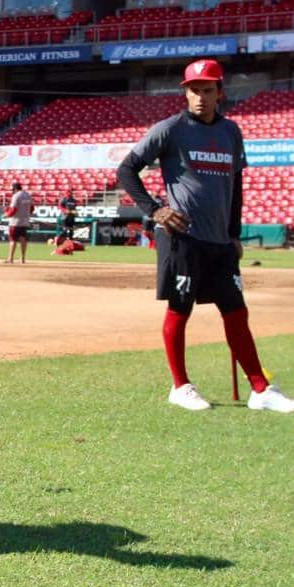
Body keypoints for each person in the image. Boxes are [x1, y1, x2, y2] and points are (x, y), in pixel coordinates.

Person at [117, 58, 292, 413]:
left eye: (207, 90)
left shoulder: (231, 132)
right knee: (180, 309)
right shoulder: (170, 128)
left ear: (219, 93)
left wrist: (234, 235)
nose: (199, 97)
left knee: (236, 311)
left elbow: (236, 186)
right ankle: (180, 386)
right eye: (193, 90)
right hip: (182, 237)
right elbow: (126, 169)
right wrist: (156, 210)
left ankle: (260, 389)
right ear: (186, 93)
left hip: (220, 242)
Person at [3, 181, 33, 263]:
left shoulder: (16, 196)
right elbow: (32, 208)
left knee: (13, 240)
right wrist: (26, 214)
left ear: (15, 188)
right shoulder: (28, 195)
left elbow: (13, 209)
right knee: (23, 239)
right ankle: (22, 258)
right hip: (25, 221)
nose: (12, 191)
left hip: (15, 222)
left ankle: (11, 258)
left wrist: (6, 215)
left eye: (12, 189)